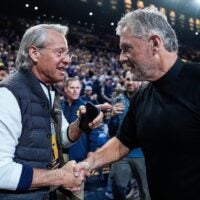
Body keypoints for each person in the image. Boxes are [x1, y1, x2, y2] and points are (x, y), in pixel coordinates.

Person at [77, 7, 200, 200]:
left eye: (127, 48)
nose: (121, 58)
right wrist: (89, 163)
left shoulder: (196, 80)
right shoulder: (142, 96)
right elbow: (122, 143)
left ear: (154, 43)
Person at [0, 24, 103, 200]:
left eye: (67, 53)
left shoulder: (49, 90)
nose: (68, 60)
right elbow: (1, 170)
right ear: (34, 53)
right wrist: (59, 176)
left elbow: (61, 137)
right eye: (59, 52)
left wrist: (82, 123)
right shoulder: (8, 94)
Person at [106, 70, 150, 200]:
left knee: (146, 193)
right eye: (128, 79)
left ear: (141, 81)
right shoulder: (117, 100)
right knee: (118, 193)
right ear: (124, 81)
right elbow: (111, 130)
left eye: (134, 79)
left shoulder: (148, 99)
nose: (131, 82)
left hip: (142, 154)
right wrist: (112, 117)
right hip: (120, 154)